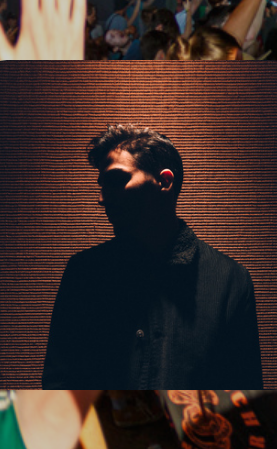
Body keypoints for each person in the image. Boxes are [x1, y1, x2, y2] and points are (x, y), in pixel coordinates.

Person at [41, 123, 261, 389]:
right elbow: (58, 383)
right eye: (102, 184)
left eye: (116, 180)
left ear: (164, 182)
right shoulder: (83, 273)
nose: (102, 198)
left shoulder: (230, 281)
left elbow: (243, 389)